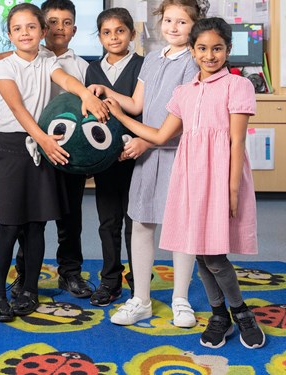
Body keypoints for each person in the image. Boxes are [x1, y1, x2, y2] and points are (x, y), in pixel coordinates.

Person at [105, 17, 265, 350]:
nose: (210, 55)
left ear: (228, 50)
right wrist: (121, 117)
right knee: (200, 252)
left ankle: (240, 312)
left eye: (217, 48)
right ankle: (219, 314)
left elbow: (236, 143)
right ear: (192, 51)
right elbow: (161, 135)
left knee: (215, 256)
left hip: (220, 178)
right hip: (189, 178)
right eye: (203, 49)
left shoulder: (238, 86)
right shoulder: (184, 92)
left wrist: (232, 189)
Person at [0, 2, 109, 322]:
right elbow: (17, 107)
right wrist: (43, 139)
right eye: (17, 28)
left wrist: (87, 95)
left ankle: (29, 289)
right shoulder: (6, 66)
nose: (25, 33)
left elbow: (67, 81)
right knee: (10, 227)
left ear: (42, 32)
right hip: (12, 149)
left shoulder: (48, 60)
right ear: (9, 34)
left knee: (36, 226)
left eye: (31, 27)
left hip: (40, 148)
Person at [89, 0, 202, 327]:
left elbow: (179, 118)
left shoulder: (192, 63)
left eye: (182, 22)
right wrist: (104, 90)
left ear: (194, 26)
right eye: (169, 20)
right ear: (160, 22)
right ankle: (141, 299)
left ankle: (180, 299)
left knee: (180, 228)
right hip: (147, 152)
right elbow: (138, 103)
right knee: (140, 224)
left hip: (174, 152)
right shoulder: (152, 59)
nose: (174, 27)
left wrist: (145, 139)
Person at [11, 0, 94, 300]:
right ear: (43, 27)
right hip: (36, 150)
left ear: (74, 28)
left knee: (70, 218)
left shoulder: (84, 67)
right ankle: (24, 275)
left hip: (72, 156)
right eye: (53, 21)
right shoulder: (27, 57)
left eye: (67, 22)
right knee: (30, 218)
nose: (60, 28)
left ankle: (69, 273)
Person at [85, 7, 144, 306]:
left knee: (135, 222)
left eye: (120, 31)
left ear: (132, 34)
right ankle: (110, 280)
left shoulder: (143, 67)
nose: (113, 37)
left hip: (135, 157)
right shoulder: (91, 70)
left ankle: (139, 282)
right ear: (99, 37)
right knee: (108, 222)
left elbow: (146, 108)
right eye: (106, 32)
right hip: (106, 160)